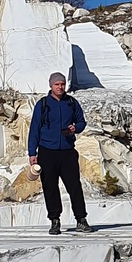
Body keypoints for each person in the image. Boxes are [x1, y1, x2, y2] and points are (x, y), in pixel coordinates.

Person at [27, 73, 93, 235]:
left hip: (67, 152)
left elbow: (81, 122)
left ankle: (81, 219)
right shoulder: (42, 104)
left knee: (74, 186)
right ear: (51, 85)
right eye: (57, 84)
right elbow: (34, 128)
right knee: (50, 187)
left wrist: (75, 128)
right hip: (47, 151)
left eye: (62, 84)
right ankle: (55, 220)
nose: (60, 87)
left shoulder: (71, 103)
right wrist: (32, 152)